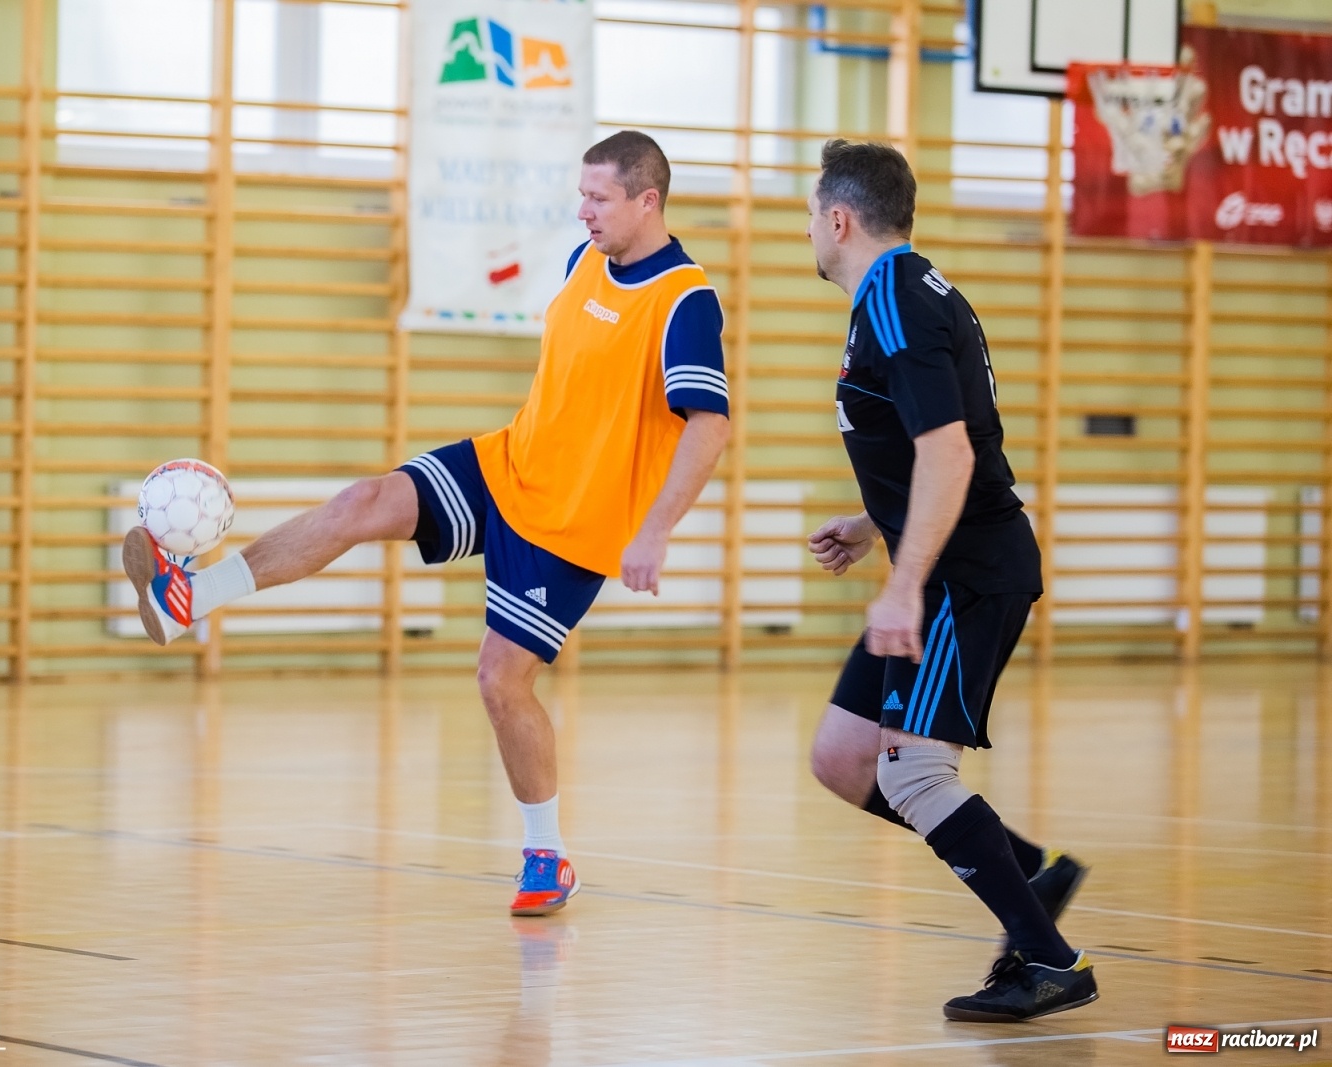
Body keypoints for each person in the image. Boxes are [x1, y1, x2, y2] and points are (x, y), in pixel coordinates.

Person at [121, 130, 731, 918]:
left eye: (599, 197)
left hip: (571, 526)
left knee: (500, 682)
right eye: (580, 193)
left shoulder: (685, 300)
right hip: (506, 465)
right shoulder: (585, 262)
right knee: (361, 502)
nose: (582, 210)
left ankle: (546, 853)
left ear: (648, 201)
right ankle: (187, 600)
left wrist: (654, 531)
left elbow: (708, 425)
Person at [803, 138, 1097, 1022]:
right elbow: (942, 437)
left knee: (916, 773)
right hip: (940, 559)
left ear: (840, 218)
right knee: (846, 758)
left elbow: (950, 448)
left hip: (961, 575)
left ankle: (1050, 961)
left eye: (813, 215)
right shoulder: (910, 292)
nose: (810, 231)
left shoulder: (891, 299)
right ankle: (1031, 874)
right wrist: (871, 527)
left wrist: (905, 581)